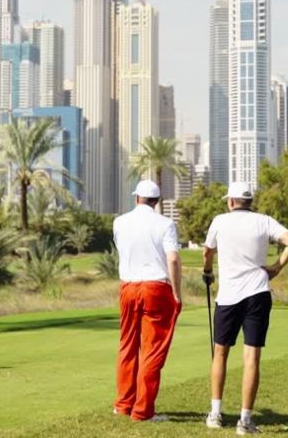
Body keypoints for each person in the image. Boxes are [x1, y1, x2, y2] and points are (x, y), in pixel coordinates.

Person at [202, 182, 288, 435]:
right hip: (258, 293)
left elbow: (207, 252)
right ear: (248, 201)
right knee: (252, 357)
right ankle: (245, 421)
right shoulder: (264, 221)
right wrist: (277, 267)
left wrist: (208, 271)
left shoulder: (219, 221)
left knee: (220, 353)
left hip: (228, 296)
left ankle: (215, 414)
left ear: (231, 201)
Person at [112, 180, 182, 422]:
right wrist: (177, 291)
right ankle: (142, 411)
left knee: (127, 346)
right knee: (152, 351)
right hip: (156, 287)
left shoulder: (119, 222)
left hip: (128, 287)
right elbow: (172, 259)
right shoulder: (166, 224)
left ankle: (123, 404)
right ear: (157, 201)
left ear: (136, 198)